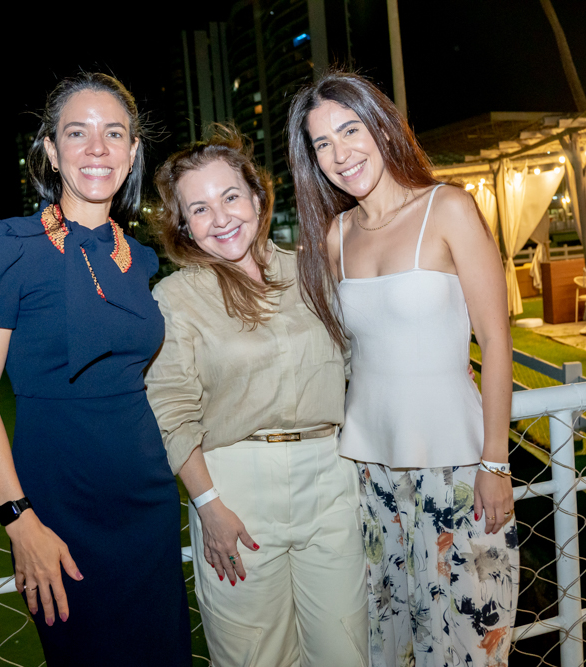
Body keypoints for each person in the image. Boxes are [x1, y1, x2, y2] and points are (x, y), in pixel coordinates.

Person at [0, 72, 190, 666]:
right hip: (55, 511)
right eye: (77, 133)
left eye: (114, 134)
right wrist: (17, 519)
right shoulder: (3, 245)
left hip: (148, 500)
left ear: (133, 152)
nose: (97, 148)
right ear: (52, 151)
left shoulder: (139, 258)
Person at [286, 70, 519, 667]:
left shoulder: (448, 209)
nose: (340, 154)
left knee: (472, 640)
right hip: (368, 473)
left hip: (458, 464)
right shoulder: (333, 237)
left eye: (350, 130)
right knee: (387, 639)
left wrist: (496, 459)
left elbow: (496, 339)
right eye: (322, 145)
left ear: (381, 126)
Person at [145, 126, 368, 667]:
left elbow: (358, 365)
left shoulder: (312, 271)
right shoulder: (175, 297)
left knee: (346, 648)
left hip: (330, 477)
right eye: (198, 209)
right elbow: (172, 411)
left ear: (258, 197)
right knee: (254, 656)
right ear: (182, 224)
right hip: (234, 491)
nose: (220, 218)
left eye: (229, 197)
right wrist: (208, 507)